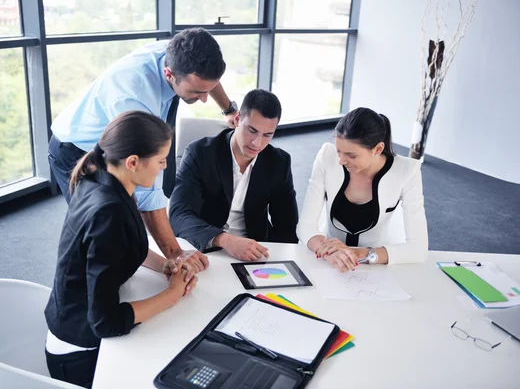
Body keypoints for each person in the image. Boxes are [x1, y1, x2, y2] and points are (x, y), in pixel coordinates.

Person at [48, 28, 236, 272]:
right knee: (105, 232)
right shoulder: (134, 97)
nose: (203, 99)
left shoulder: (180, 52)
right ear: (169, 74)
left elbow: (209, 80)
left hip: (116, 140)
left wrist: (228, 109)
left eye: (206, 90)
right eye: (197, 92)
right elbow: (149, 191)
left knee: (126, 227)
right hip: (76, 150)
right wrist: (175, 253)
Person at [44, 111, 198, 388]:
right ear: (133, 162)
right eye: (161, 160)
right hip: (82, 356)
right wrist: (172, 294)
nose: (164, 166)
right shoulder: (109, 211)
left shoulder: (101, 178)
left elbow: (116, 247)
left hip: (71, 321)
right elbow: (106, 322)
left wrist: (163, 263)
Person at [169, 89, 298, 261]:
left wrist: (283, 263)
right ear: (237, 119)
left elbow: (287, 227)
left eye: (267, 135)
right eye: (252, 130)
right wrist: (224, 240)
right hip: (205, 249)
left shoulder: (279, 162)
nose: (257, 143)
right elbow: (179, 214)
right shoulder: (200, 153)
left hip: (254, 253)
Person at [297, 107, 428, 272]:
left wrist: (356, 253)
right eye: (339, 152)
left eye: (351, 156)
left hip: (376, 264)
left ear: (378, 149)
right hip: (328, 260)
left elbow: (419, 249)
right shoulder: (327, 156)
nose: (341, 161)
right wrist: (330, 252)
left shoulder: (407, 171)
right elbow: (305, 225)